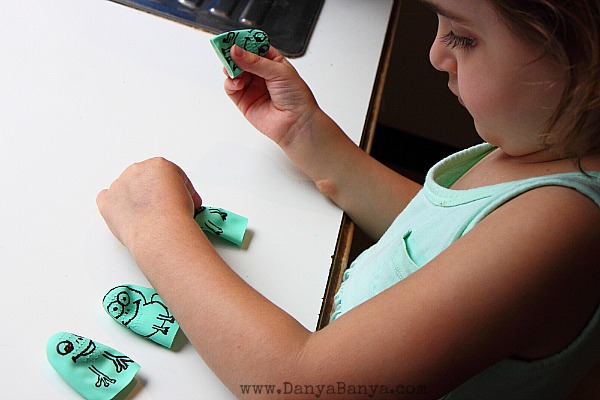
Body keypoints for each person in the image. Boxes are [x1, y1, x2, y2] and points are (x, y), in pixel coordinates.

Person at [96, 0, 600, 398]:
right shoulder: (546, 145)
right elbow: (435, 235)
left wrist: (154, 227)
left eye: (464, 37)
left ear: (586, 59)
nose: (436, 54)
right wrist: (310, 137)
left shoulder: (561, 224)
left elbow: (303, 387)